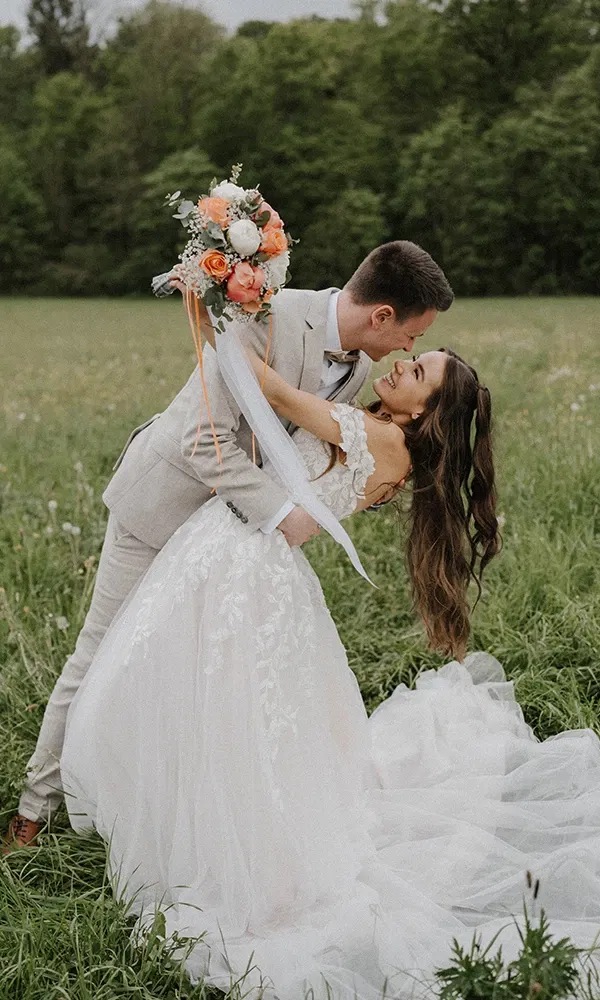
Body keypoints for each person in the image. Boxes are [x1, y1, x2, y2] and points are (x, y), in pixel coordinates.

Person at [58, 322, 600, 999]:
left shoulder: (379, 439)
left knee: (213, 701)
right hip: (237, 555)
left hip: (245, 569)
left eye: (418, 374)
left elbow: (272, 391)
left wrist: (228, 306)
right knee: (208, 699)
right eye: (411, 359)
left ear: (426, 414)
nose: (400, 367)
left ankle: (228, 844)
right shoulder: (383, 435)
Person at [3, 240, 454, 853]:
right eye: (411, 335)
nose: (407, 349)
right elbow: (203, 438)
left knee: (189, 676)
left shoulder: (357, 370)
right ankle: (33, 813)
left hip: (230, 545)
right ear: (382, 317)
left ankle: (152, 809)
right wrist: (282, 514)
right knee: (100, 655)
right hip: (164, 507)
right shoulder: (262, 312)